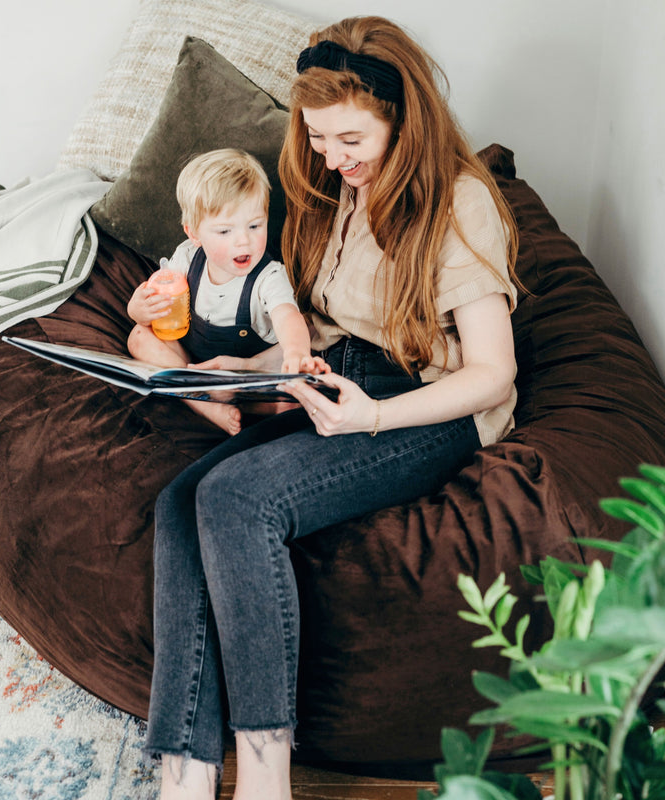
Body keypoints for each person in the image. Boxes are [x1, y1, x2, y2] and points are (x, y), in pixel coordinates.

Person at [144, 16, 520, 800]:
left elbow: (492, 373)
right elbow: (333, 327)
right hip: (338, 371)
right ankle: (183, 770)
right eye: (317, 139)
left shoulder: (460, 201)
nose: (331, 158)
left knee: (238, 501)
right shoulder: (341, 189)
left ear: (401, 118)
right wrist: (243, 368)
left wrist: (371, 418)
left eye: (350, 138)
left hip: (425, 403)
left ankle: (266, 779)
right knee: (181, 502)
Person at [126, 148, 327, 435]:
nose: (243, 241)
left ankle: (256, 406)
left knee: (299, 351)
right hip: (193, 364)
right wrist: (138, 309)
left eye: (255, 225)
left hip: (245, 373)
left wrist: (297, 353)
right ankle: (203, 402)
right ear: (194, 234)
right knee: (139, 336)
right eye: (224, 232)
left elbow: (287, 316)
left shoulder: (268, 276)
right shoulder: (186, 258)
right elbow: (158, 303)